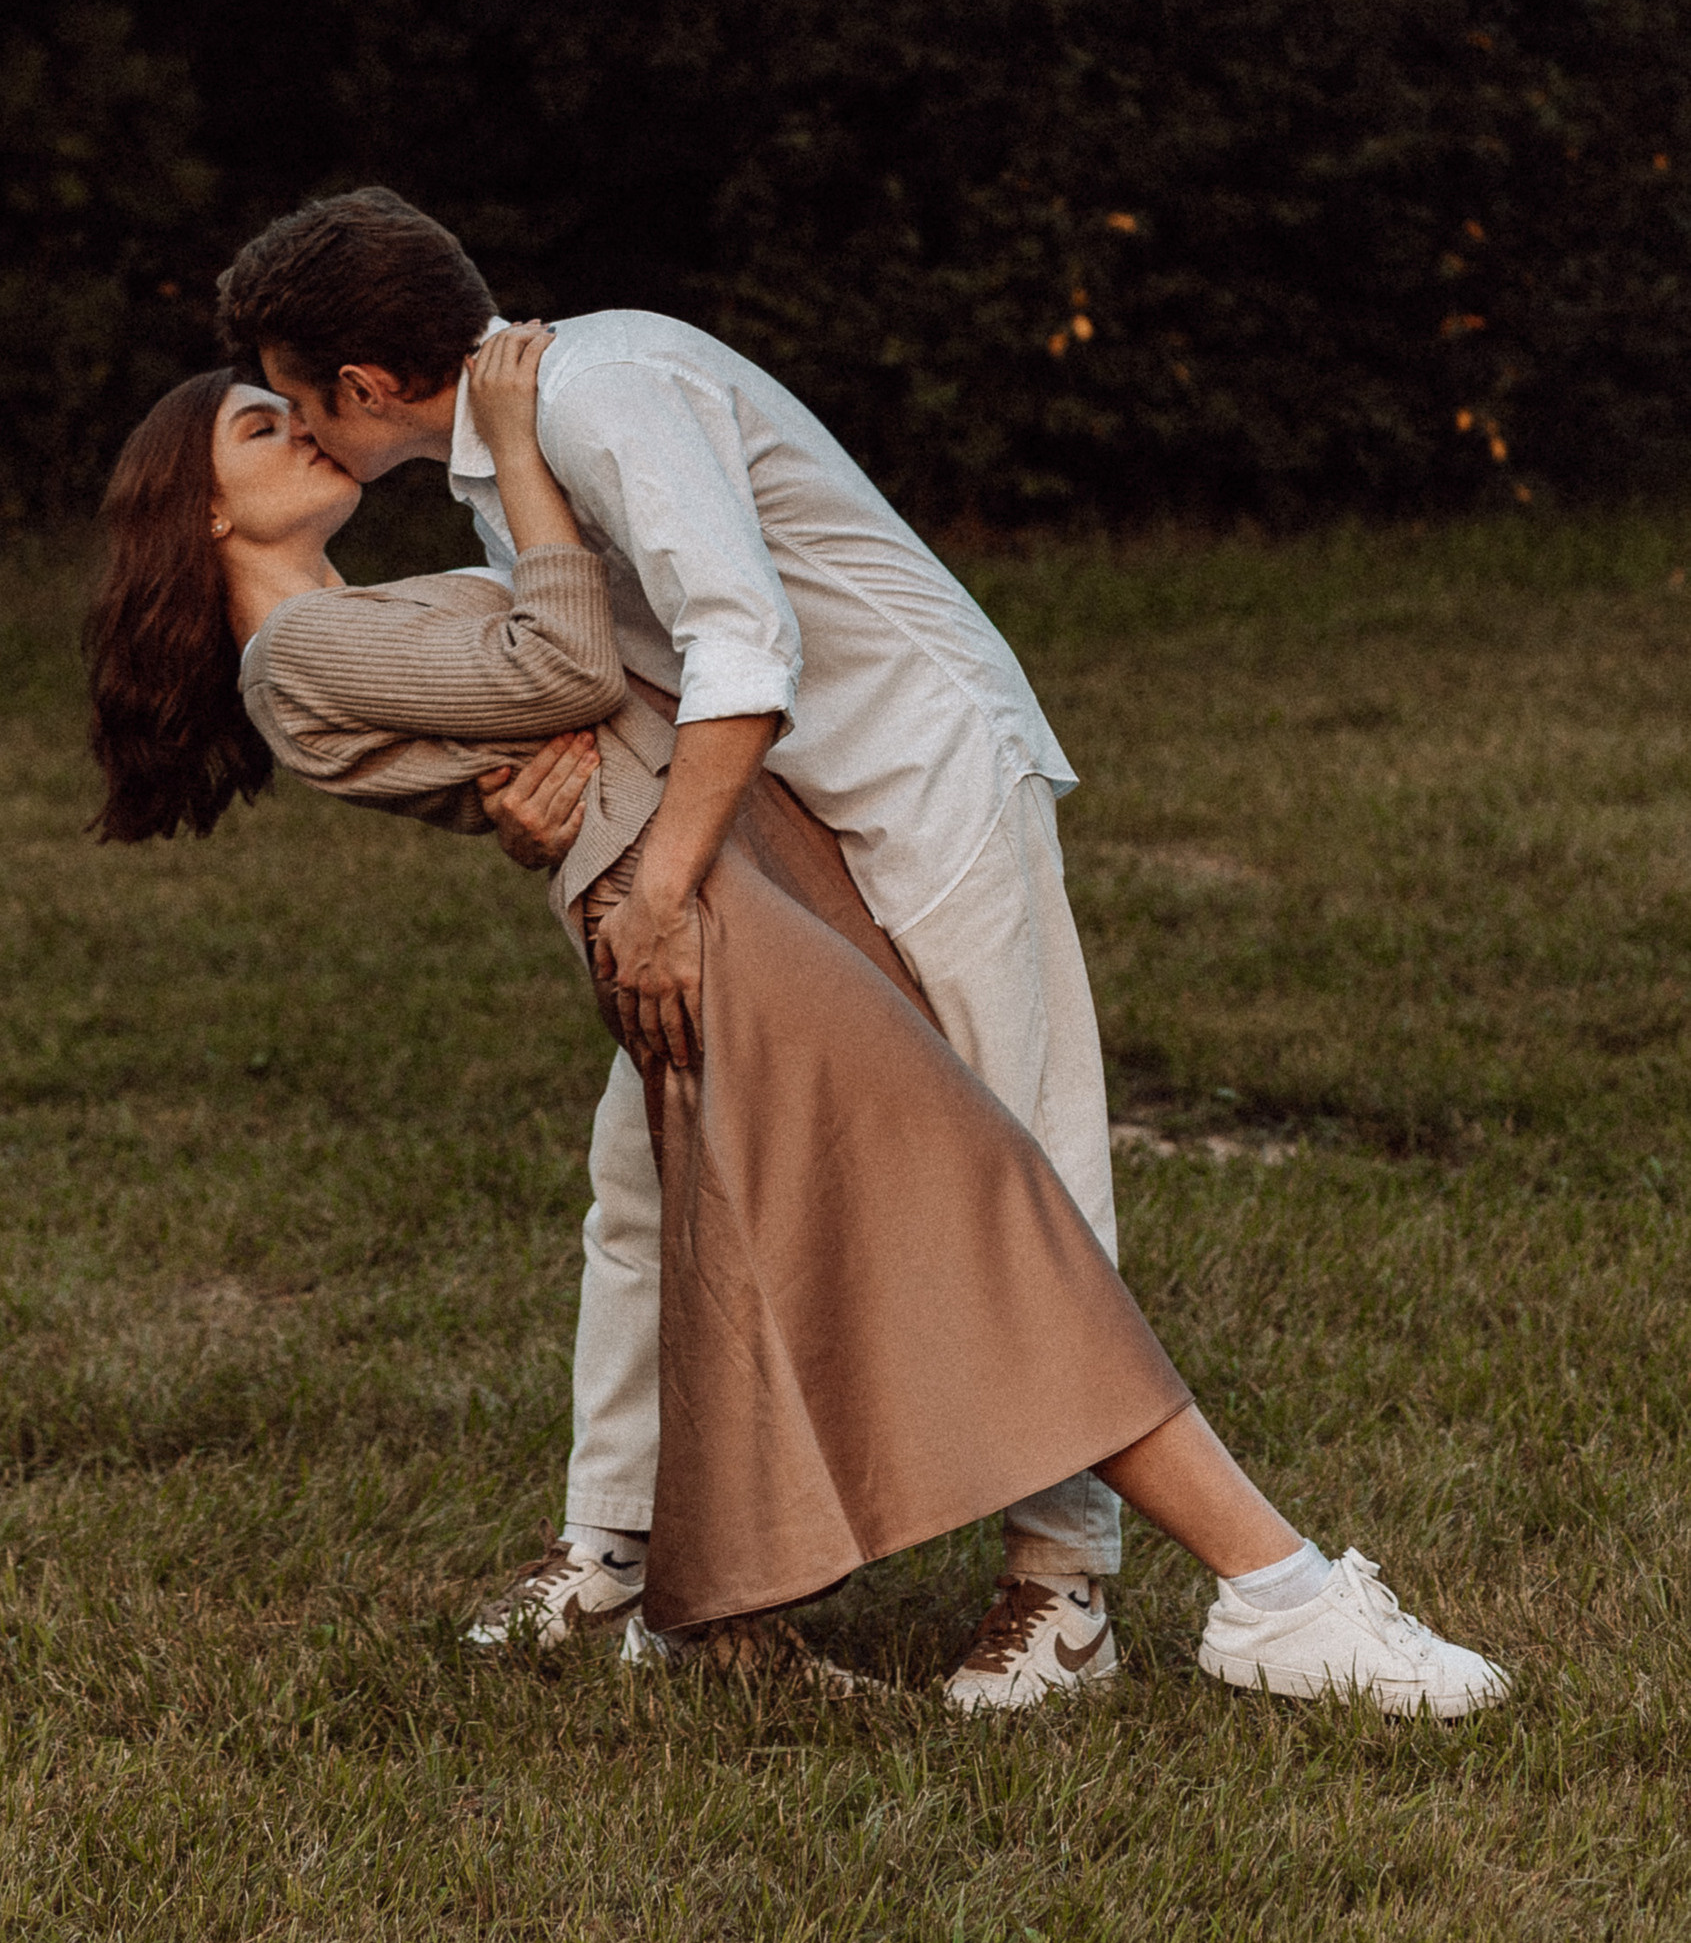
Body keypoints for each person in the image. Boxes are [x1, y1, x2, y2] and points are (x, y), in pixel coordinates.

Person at [84, 329, 1509, 1720]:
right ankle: (1280, 1596)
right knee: (978, 1207)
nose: (304, 425)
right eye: (258, 428)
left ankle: (721, 1612)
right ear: (203, 507)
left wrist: (534, 781)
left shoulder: (367, 615)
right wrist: (518, 452)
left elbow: (570, 701)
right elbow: (575, 663)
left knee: (761, 1238)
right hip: (706, 922)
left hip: (732, 877)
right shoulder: (299, 656)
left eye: (292, 405)